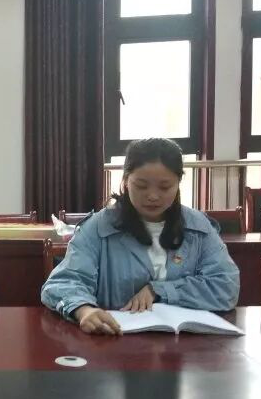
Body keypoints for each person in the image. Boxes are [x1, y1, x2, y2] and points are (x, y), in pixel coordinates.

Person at [41, 138, 240, 335]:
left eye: (165, 187)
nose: (153, 196)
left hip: (186, 344)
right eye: (141, 186)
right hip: (114, 339)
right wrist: (84, 310)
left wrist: (159, 291)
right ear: (126, 181)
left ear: (178, 183)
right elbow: (63, 283)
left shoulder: (198, 228)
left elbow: (226, 286)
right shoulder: (98, 227)